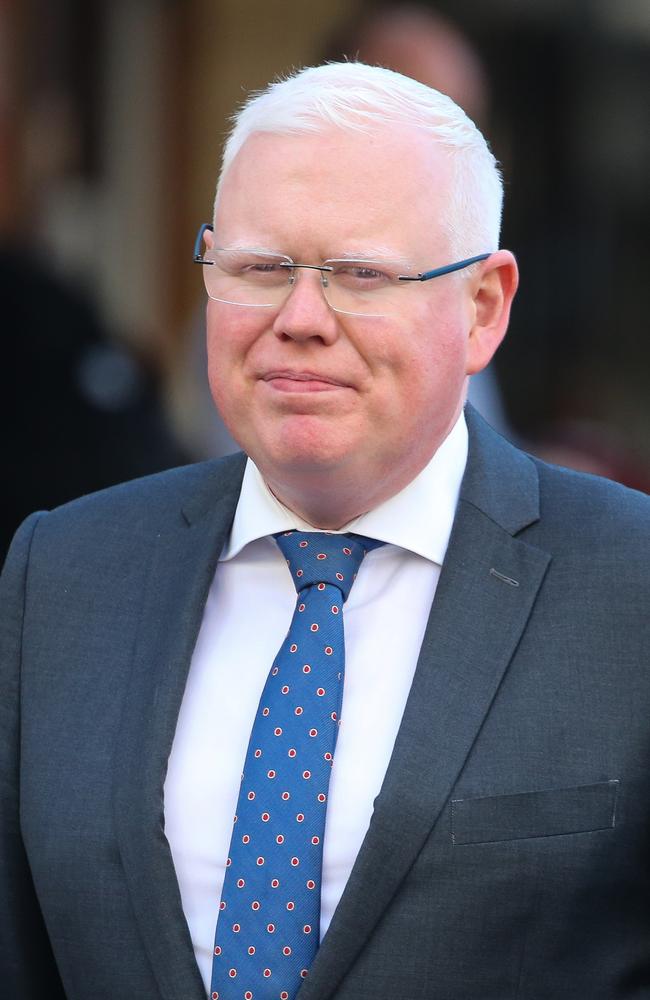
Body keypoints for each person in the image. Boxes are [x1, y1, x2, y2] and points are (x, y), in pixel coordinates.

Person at [1, 62, 648, 1000]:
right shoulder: (62, 575)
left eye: (360, 274)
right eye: (261, 269)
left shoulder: (628, 590)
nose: (301, 320)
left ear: (483, 308)